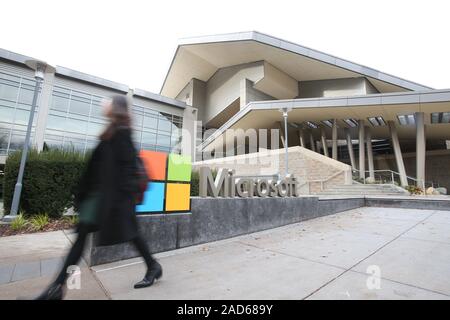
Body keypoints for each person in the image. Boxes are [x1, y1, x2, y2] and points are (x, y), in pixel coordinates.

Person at [36, 95, 162, 300]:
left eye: (108, 101)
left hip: (112, 201)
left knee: (131, 234)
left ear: (116, 108)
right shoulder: (111, 132)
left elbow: (127, 171)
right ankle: (57, 288)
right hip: (99, 199)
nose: (104, 103)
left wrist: (118, 202)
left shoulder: (122, 134)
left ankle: (153, 266)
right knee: (88, 239)